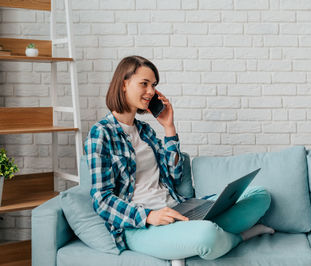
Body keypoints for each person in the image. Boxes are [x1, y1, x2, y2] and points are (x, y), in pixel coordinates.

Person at [84, 55, 275, 261]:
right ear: (124, 84)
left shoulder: (145, 131)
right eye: (144, 84)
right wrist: (149, 216)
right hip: (141, 225)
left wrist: (169, 127)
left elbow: (174, 177)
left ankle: (190, 241)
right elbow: (101, 200)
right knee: (207, 235)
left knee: (260, 195)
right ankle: (239, 237)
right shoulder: (101, 134)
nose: (151, 91)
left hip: (177, 208)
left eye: (154, 85)